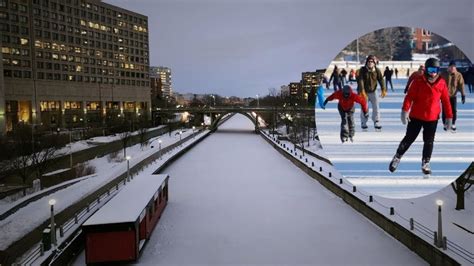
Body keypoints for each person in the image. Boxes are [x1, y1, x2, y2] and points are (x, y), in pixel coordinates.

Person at [389, 58, 452, 175]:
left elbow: (446, 101)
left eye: (435, 70)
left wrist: (449, 117)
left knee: (429, 141)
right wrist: (405, 110)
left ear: (438, 70)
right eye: (430, 69)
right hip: (416, 116)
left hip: (432, 118)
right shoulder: (418, 81)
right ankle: (397, 157)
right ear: (426, 69)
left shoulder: (442, 83)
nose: (433, 72)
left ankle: (426, 162)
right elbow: (409, 97)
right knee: (409, 139)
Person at [356, 55, 387, 131]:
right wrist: (362, 91)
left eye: (372, 62)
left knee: (376, 106)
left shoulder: (377, 70)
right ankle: (364, 122)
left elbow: (381, 80)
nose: (370, 63)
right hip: (364, 92)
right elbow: (361, 81)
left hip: (373, 91)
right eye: (369, 62)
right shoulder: (362, 70)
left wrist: (383, 89)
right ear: (366, 62)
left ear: (374, 63)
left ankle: (376, 121)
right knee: (364, 108)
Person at [440, 61, 466, 132]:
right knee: (445, 110)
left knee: (454, 110)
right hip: (444, 96)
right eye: (450, 67)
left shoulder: (458, 75)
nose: (452, 68)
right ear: (448, 67)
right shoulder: (443, 74)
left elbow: (461, 85)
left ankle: (453, 123)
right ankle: (445, 124)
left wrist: (463, 95)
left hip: (453, 95)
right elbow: (439, 84)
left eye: (453, 67)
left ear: (455, 68)